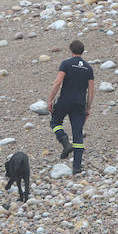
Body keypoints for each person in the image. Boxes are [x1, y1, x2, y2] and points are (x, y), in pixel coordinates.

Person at [48, 40, 94, 174]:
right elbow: (91, 90)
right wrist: (88, 107)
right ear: (82, 51)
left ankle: (65, 143)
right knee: (78, 133)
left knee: (55, 122)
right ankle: (77, 167)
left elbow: (58, 82)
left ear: (71, 50)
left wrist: (50, 99)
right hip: (80, 103)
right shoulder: (88, 68)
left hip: (65, 100)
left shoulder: (66, 64)